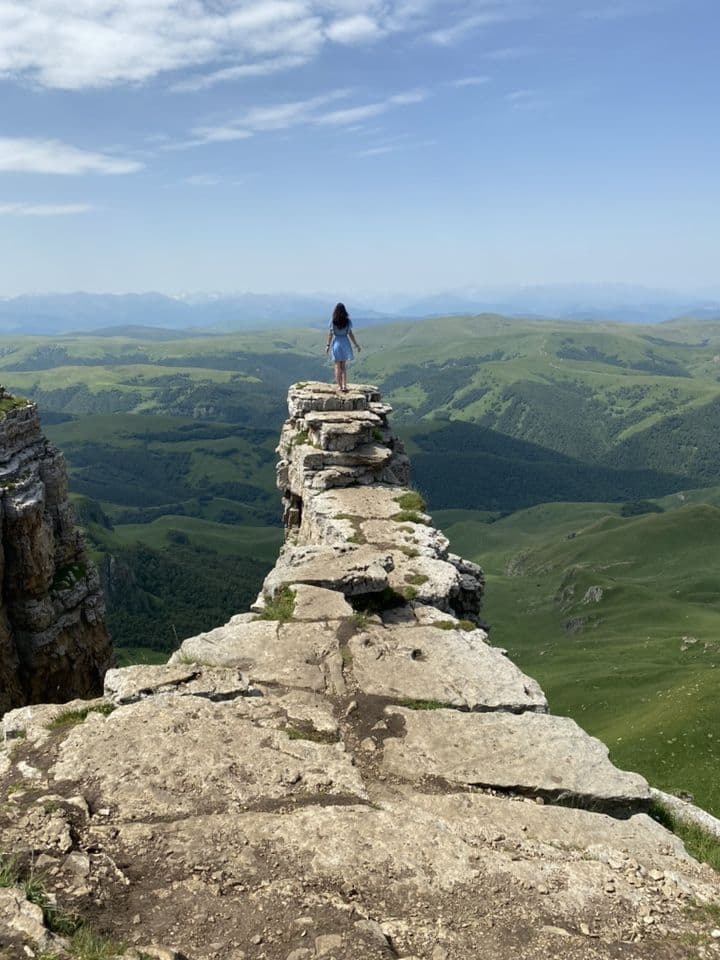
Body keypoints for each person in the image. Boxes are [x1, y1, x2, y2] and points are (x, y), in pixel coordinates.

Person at [325, 302, 361, 392]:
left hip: (336, 343)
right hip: (345, 343)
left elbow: (330, 334)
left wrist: (328, 345)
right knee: (343, 366)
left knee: (337, 366)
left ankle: (340, 386)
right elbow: (350, 334)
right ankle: (345, 385)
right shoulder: (347, 321)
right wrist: (356, 345)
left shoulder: (333, 321)